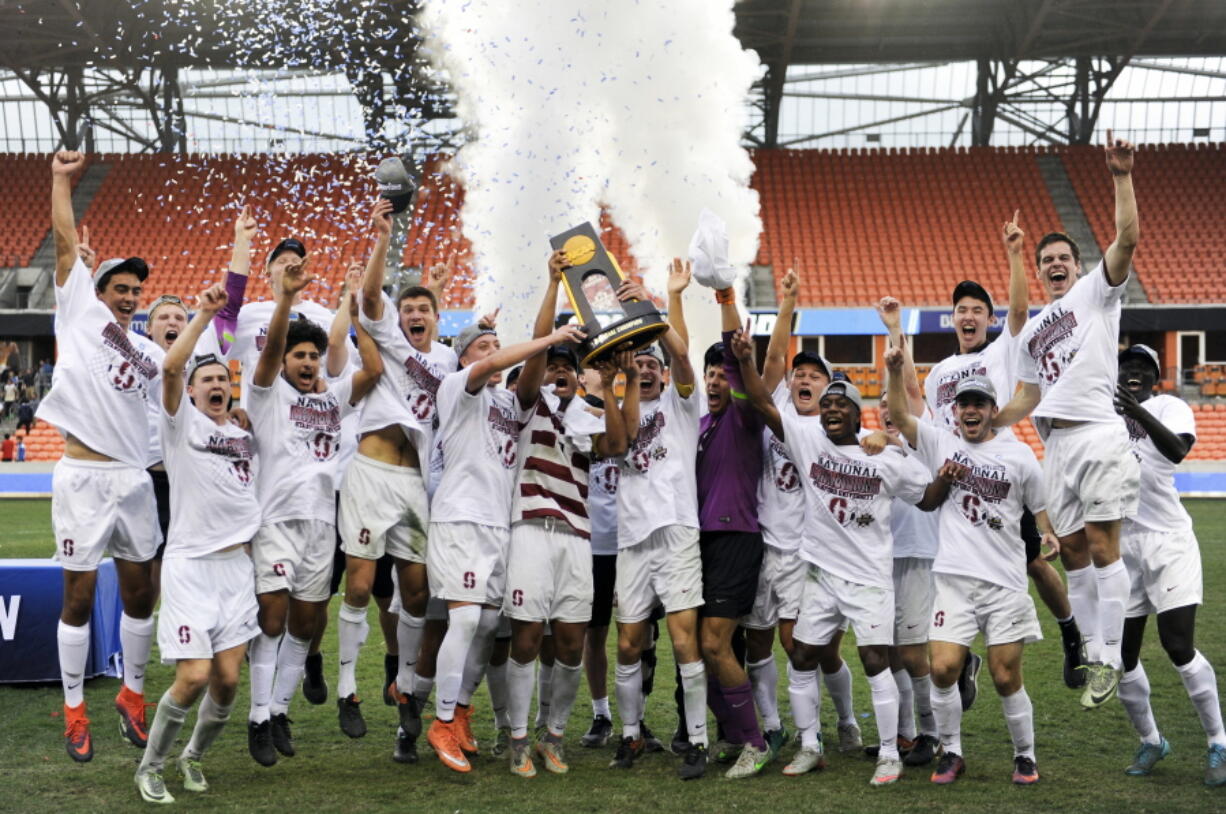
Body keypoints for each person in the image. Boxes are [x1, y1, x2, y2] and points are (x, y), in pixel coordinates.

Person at [731, 327, 953, 787]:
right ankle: (810, 744)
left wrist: (944, 475)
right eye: (826, 405)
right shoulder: (806, 437)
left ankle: (890, 752)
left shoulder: (884, 457)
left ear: (857, 415)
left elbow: (928, 499)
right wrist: (747, 362)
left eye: (840, 406)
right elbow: (764, 403)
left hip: (870, 578)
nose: (830, 410)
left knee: (875, 660)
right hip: (820, 574)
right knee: (803, 657)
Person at [995, 130, 1142, 709]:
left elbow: (1127, 239)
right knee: (1074, 552)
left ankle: (1112, 657)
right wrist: (981, 425)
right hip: (1056, 446)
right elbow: (1027, 398)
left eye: (1063, 259)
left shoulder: (1095, 294)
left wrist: (1120, 175)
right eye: (1046, 261)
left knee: (1104, 548)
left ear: (1077, 266)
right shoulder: (1031, 332)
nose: (1056, 266)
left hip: (1099, 436)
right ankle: (1091, 650)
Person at [917, 212, 1083, 694]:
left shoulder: (1001, 352)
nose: (968, 316)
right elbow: (929, 424)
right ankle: (964, 656)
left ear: (986, 320)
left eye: (977, 310)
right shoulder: (937, 374)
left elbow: (1018, 312)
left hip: (1002, 473)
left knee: (1032, 560)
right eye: (960, 309)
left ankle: (1070, 630)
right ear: (952, 318)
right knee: (955, 567)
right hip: (956, 477)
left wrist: (1014, 253)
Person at [38, 151, 162, 762]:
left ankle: (132, 696)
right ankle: (73, 707)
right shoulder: (80, 311)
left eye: (137, 290)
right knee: (80, 598)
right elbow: (64, 246)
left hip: (133, 479)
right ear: (98, 289)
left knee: (141, 595)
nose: (130, 297)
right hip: (83, 476)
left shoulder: (145, 350)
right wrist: (62, 181)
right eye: (121, 288)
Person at [424, 307, 585, 774]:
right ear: (464, 358)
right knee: (467, 619)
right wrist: (550, 335)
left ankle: (462, 712)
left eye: (497, 345)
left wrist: (549, 303)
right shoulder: (458, 389)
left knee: (490, 627)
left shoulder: (507, 403)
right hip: (461, 520)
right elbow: (499, 366)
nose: (493, 353)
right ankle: (441, 720)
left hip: (499, 527)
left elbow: (528, 375)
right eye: (483, 346)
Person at [886, 353, 1059, 786]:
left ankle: (1025, 756)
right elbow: (900, 416)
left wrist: (1048, 534)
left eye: (979, 404)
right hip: (953, 580)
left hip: (1004, 584)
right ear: (956, 410)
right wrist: (893, 369)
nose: (970, 411)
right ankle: (953, 752)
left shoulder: (1019, 456)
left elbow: (1039, 507)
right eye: (964, 404)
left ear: (993, 410)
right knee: (942, 669)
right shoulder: (943, 442)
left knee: (1005, 676)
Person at [244, 246, 383, 766]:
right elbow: (270, 348)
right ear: (283, 361)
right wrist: (286, 299)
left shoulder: (330, 401)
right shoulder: (266, 395)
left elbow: (372, 370)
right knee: (272, 620)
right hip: (277, 520)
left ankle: (279, 710)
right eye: (297, 355)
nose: (306, 362)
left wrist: (358, 313)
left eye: (312, 356)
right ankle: (257, 716)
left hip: (322, 526)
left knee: (305, 624)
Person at [502, 249, 632, 777]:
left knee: (572, 643)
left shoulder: (587, 410)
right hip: (531, 529)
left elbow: (619, 445)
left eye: (567, 366)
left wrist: (613, 385)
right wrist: (552, 287)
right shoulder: (526, 400)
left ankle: (553, 736)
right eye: (554, 363)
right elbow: (533, 365)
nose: (559, 371)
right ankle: (516, 739)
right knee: (529, 638)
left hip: (577, 536)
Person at [134, 282, 261, 803]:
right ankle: (151, 766)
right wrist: (206, 313)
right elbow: (168, 368)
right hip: (189, 567)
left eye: (222, 380)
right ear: (190, 391)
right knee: (193, 677)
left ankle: (193, 757)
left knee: (228, 681)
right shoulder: (179, 423)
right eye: (205, 379)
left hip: (236, 569)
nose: (215, 385)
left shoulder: (243, 434)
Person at [344, 201, 457, 757]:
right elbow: (368, 298)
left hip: (419, 486)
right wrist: (382, 239)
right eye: (406, 306)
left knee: (418, 595)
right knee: (364, 587)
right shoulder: (387, 338)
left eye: (424, 309)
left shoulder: (451, 364)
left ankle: (408, 695)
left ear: (438, 318)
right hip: (371, 474)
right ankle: (353, 688)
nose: (414, 314)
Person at [742, 269, 862, 768]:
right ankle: (774, 725)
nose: (805, 378)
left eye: (816, 374)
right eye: (800, 374)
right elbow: (772, 361)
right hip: (759, 544)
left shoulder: (832, 429)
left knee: (807, 649)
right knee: (756, 641)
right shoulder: (783, 414)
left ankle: (844, 719)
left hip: (805, 550)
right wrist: (788, 304)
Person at [607, 260, 710, 780]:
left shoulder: (682, 404)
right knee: (628, 643)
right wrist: (623, 377)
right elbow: (622, 442)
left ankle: (697, 740)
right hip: (632, 539)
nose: (647, 369)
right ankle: (630, 735)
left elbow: (682, 353)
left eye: (653, 364)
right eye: (638, 363)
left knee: (682, 639)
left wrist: (658, 302)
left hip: (676, 533)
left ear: (662, 374)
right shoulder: (624, 406)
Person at [1112, 344, 1226, 786]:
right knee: (1121, 657)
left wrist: (1136, 413)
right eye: (1127, 367)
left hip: (1169, 542)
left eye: (1143, 368)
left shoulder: (1169, 406)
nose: (1134, 372)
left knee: (1177, 645)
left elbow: (1178, 450)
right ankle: (1152, 739)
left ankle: (1218, 742)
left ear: (1156, 379)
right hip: (1122, 546)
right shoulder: (1106, 415)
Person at [691, 280, 773, 780]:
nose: (716, 382)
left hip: (738, 538)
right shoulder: (698, 425)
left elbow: (740, 363)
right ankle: (735, 734)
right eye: (711, 374)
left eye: (724, 374)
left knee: (716, 645)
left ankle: (756, 742)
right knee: (707, 645)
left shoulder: (745, 417)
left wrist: (725, 301)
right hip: (702, 541)